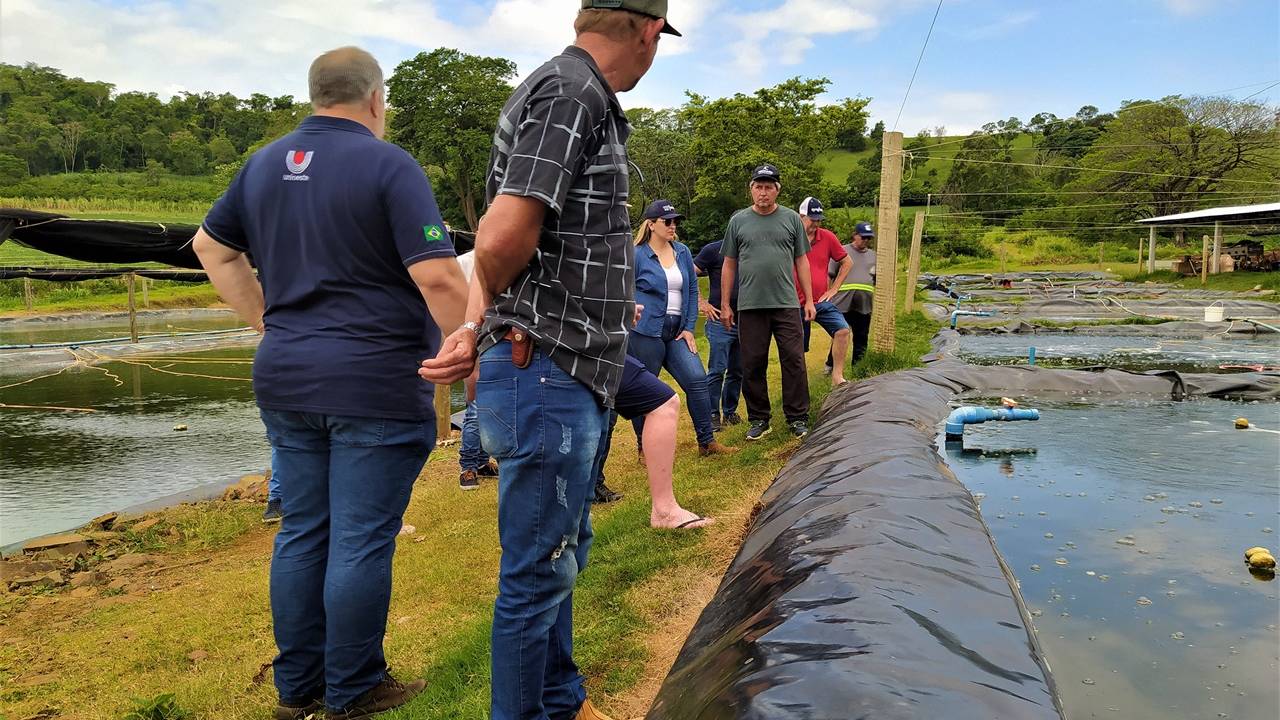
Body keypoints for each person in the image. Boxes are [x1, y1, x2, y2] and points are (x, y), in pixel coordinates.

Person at [192, 47, 467, 719]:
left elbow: (211, 247)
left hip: (287, 376)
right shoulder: (388, 164)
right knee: (360, 538)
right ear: (377, 100)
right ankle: (352, 690)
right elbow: (436, 275)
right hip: (373, 378)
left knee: (303, 532)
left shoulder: (261, 164)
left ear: (316, 95)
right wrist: (471, 348)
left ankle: (297, 691)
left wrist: (267, 320)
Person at [420, 4, 675, 719]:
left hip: (563, 368)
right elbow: (503, 231)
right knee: (536, 573)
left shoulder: (571, 90)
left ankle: (561, 703)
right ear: (650, 32)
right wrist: (475, 322)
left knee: (559, 553)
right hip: (546, 369)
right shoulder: (575, 90)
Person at [631, 199, 735, 456]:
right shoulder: (636, 255)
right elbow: (622, 291)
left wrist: (689, 327)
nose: (673, 225)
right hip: (646, 331)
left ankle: (707, 442)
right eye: (667, 221)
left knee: (697, 380)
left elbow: (690, 289)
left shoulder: (682, 251)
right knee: (644, 388)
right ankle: (644, 447)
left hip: (677, 331)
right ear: (651, 224)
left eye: (675, 221)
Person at [720, 163, 814, 441]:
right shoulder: (738, 221)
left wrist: (808, 299)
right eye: (758, 187)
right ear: (751, 189)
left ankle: (797, 417)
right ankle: (759, 419)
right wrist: (726, 304)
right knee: (752, 363)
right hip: (750, 305)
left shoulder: (791, 220)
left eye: (768, 187)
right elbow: (728, 264)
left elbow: (802, 260)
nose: (763, 192)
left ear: (777, 190)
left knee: (794, 360)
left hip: (786, 303)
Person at [594, 354, 714, 529]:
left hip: (595, 345)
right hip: (574, 347)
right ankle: (664, 512)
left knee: (661, 401)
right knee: (661, 401)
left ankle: (664, 511)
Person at [795, 197, 853, 387]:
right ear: (801, 217)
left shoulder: (827, 237)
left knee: (843, 330)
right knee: (797, 348)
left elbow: (847, 262)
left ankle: (837, 377)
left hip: (819, 300)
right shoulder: (789, 237)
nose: (816, 224)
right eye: (812, 219)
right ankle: (799, 385)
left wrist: (834, 288)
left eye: (819, 220)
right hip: (794, 302)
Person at [455, 250, 498, 491]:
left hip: (495, 336)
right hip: (476, 335)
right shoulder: (466, 263)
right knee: (475, 405)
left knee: (487, 404)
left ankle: (481, 462)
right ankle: (468, 466)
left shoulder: (499, 257)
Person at [693, 237, 742, 430]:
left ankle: (730, 411)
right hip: (719, 320)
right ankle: (712, 413)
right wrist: (701, 303)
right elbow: (689, 272)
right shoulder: (713, 250)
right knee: (717, 369)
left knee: (738, 370)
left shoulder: (750, 249)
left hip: (746, 319)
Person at [829, 221, 877, 368]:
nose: (866, 241)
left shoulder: (874, 256)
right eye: (863, 237)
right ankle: (831, 365)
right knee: (840, 335)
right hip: (842, 301)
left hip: (864, 303)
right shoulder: (842, 251)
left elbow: (876, 278)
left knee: (861, 335)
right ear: (855, 235)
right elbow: (830, 273)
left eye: (869, 238)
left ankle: (858, 367)